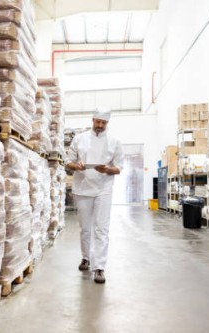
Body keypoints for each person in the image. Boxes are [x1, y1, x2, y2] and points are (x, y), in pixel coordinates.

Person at [66, 108, 124, 284]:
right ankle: (86, 258)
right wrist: (77, 166)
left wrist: (107, 169)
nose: (100, 125)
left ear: (108, 123)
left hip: (103, 188)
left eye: (103, 123)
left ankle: (99, 267)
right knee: (85, 227)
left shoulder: (114, 141)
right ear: (92, 119)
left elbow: (118, 168)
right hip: (82, 187)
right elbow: (68, 162)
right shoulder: (79, 139)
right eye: (97, 121)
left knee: (101, 228)